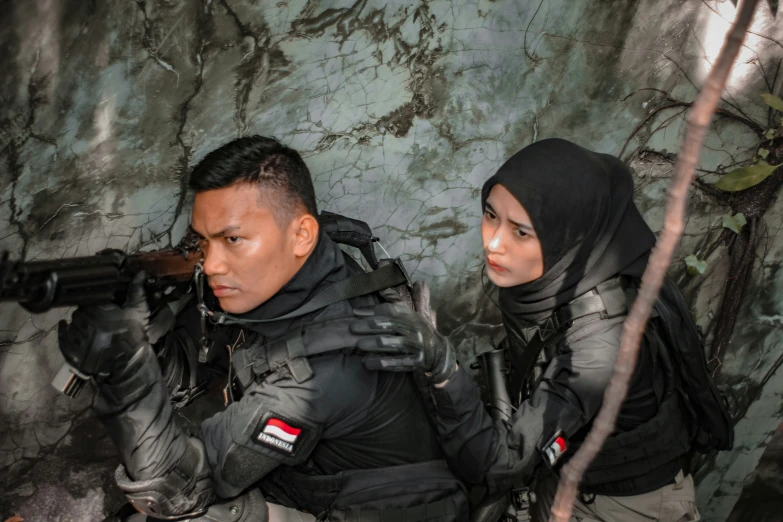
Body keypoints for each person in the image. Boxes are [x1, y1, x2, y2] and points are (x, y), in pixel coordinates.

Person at [56, 135, 469, 521]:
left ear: (302, 234)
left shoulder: (323, 373)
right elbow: (195, 379)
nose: (211, 264)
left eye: (232, 239)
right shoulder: (285, 274)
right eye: (203, 241)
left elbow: (175, 492)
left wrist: (126, 371)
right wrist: (153, 331)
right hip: (312, 478)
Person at [351, 139, 711, 522]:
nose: (493, 243)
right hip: (564, 471)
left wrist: (444, 370)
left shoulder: (602, 345)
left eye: (521, 232)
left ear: (569, 237)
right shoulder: (555, 277)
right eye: (490, 215)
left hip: (623, 505)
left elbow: (498, 465)